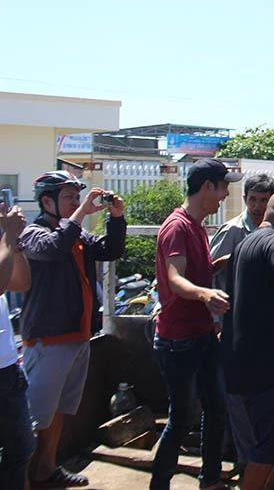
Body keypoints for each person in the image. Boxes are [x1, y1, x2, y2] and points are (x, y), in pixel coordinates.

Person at [20, 171, 126, 489]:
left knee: (59, 411)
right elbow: (53, 248)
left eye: (77, 197)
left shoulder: (75, 234)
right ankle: (26, 476)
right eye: (69, 197)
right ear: (47, 202)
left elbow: (110, 250)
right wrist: (80, 216)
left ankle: (47, 468)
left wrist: (116, 218)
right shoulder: (33, 234)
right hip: (49, 339)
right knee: (38, 415)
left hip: (78, 337)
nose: (77, 203)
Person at [150, 158, 242, 490]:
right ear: (207, 187)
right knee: (181, 418)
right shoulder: (177, 227)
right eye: (223, 187)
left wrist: (220, 263)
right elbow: (175, 279)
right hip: (178, 339)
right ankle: (159, 483)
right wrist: (205, 294)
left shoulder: (197, 226)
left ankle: (210, 479)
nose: (225, 194)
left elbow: (191, 271)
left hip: (201, 334)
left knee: (216, 409)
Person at [220, 190, 274, 490]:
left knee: (256, 450)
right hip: (264, 371)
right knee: (269, 452)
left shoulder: (245, 244)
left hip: (235, 368)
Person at [1, 203, 33, 490]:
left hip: (8, 366)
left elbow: (21, 283)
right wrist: (9, 237)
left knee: (21, 448)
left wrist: (16, 242)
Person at [209, 172, 274, 297]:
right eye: (252, 199)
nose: (257, 206)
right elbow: (210, 271)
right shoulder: (232, 231)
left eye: (264, 200)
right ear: (245, 199)